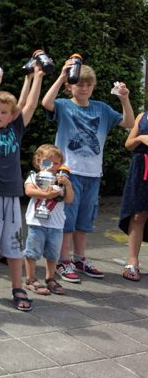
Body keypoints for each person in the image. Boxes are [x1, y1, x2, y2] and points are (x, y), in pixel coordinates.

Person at [42, 61, 134, 283]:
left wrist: (124, 98)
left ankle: (80, 258)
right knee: (67, 220)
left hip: (93, 174)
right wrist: (63, 74)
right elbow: (46, 102)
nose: (83, 88)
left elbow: (129, 122)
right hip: (67, 174)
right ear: (69, 86)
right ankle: (63, 261)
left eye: (88, 84)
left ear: (93, 86)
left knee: (84, 221)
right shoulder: (64, 105)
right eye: (78, 84)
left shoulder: (101, 108)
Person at [0, 55, 44, 311]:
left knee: (14, 245)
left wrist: (39, 76)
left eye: (4, 112)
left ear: (12, 115)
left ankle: (17, 286)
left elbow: (32, 104)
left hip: (11, 196)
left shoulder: (15, 129)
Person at [23, 144, 74, 296]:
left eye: (56, 163)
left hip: (56, 224)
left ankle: (50, 278)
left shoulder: (61, 180)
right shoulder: (34, 176)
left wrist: (68, 185)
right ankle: (31, 279)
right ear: (38, 162)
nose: (52, 166)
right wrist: (47, 194)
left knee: (53, 254)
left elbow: (69, 199)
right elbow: (29, 191)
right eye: (47, 162)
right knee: (32, 252)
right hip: (36, 223)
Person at [120, 111, 148, 282]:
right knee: (138, 215)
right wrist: (140, 139)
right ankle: (132, 262)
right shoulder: (142, 116)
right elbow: (128, 144)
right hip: (141, 168)